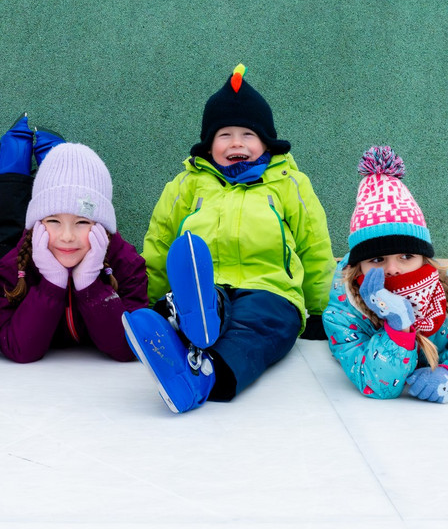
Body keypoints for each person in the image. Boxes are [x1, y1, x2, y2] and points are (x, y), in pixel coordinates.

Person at [122, 64, 335, 413]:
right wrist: (149, 295)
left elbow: (314, 246)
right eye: (225, 135)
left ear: (266, 141)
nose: (237, 142)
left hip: (270, 290)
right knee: (199, 298)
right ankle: (183, 318)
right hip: (209, 286)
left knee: (255, 331)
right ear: (209, 145)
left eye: (248, 135)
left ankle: (203, 371)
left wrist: (318, 309)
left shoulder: (288, 184)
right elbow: (160, 242)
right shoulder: (187, 185)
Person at [0, 118, 148, 363]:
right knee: (4, 223)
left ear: (101, 226)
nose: (67, 236)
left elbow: (129, 348)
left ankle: (43, 154)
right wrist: (51, 283)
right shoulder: (13, 266)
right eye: (53, 221)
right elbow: (18, 348)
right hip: (25, 243)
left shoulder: (125, 262)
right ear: (38, 225)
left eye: (82, 222)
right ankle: (14, 160)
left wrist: (89, 285)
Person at [323, 145, 448, 403]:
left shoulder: (443, 292)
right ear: (359, 266)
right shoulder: (344, 313)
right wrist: (398, 326)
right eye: (378, 259)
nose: (392, 269)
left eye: (406, 256)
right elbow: (377, 385)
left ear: (424, 258)